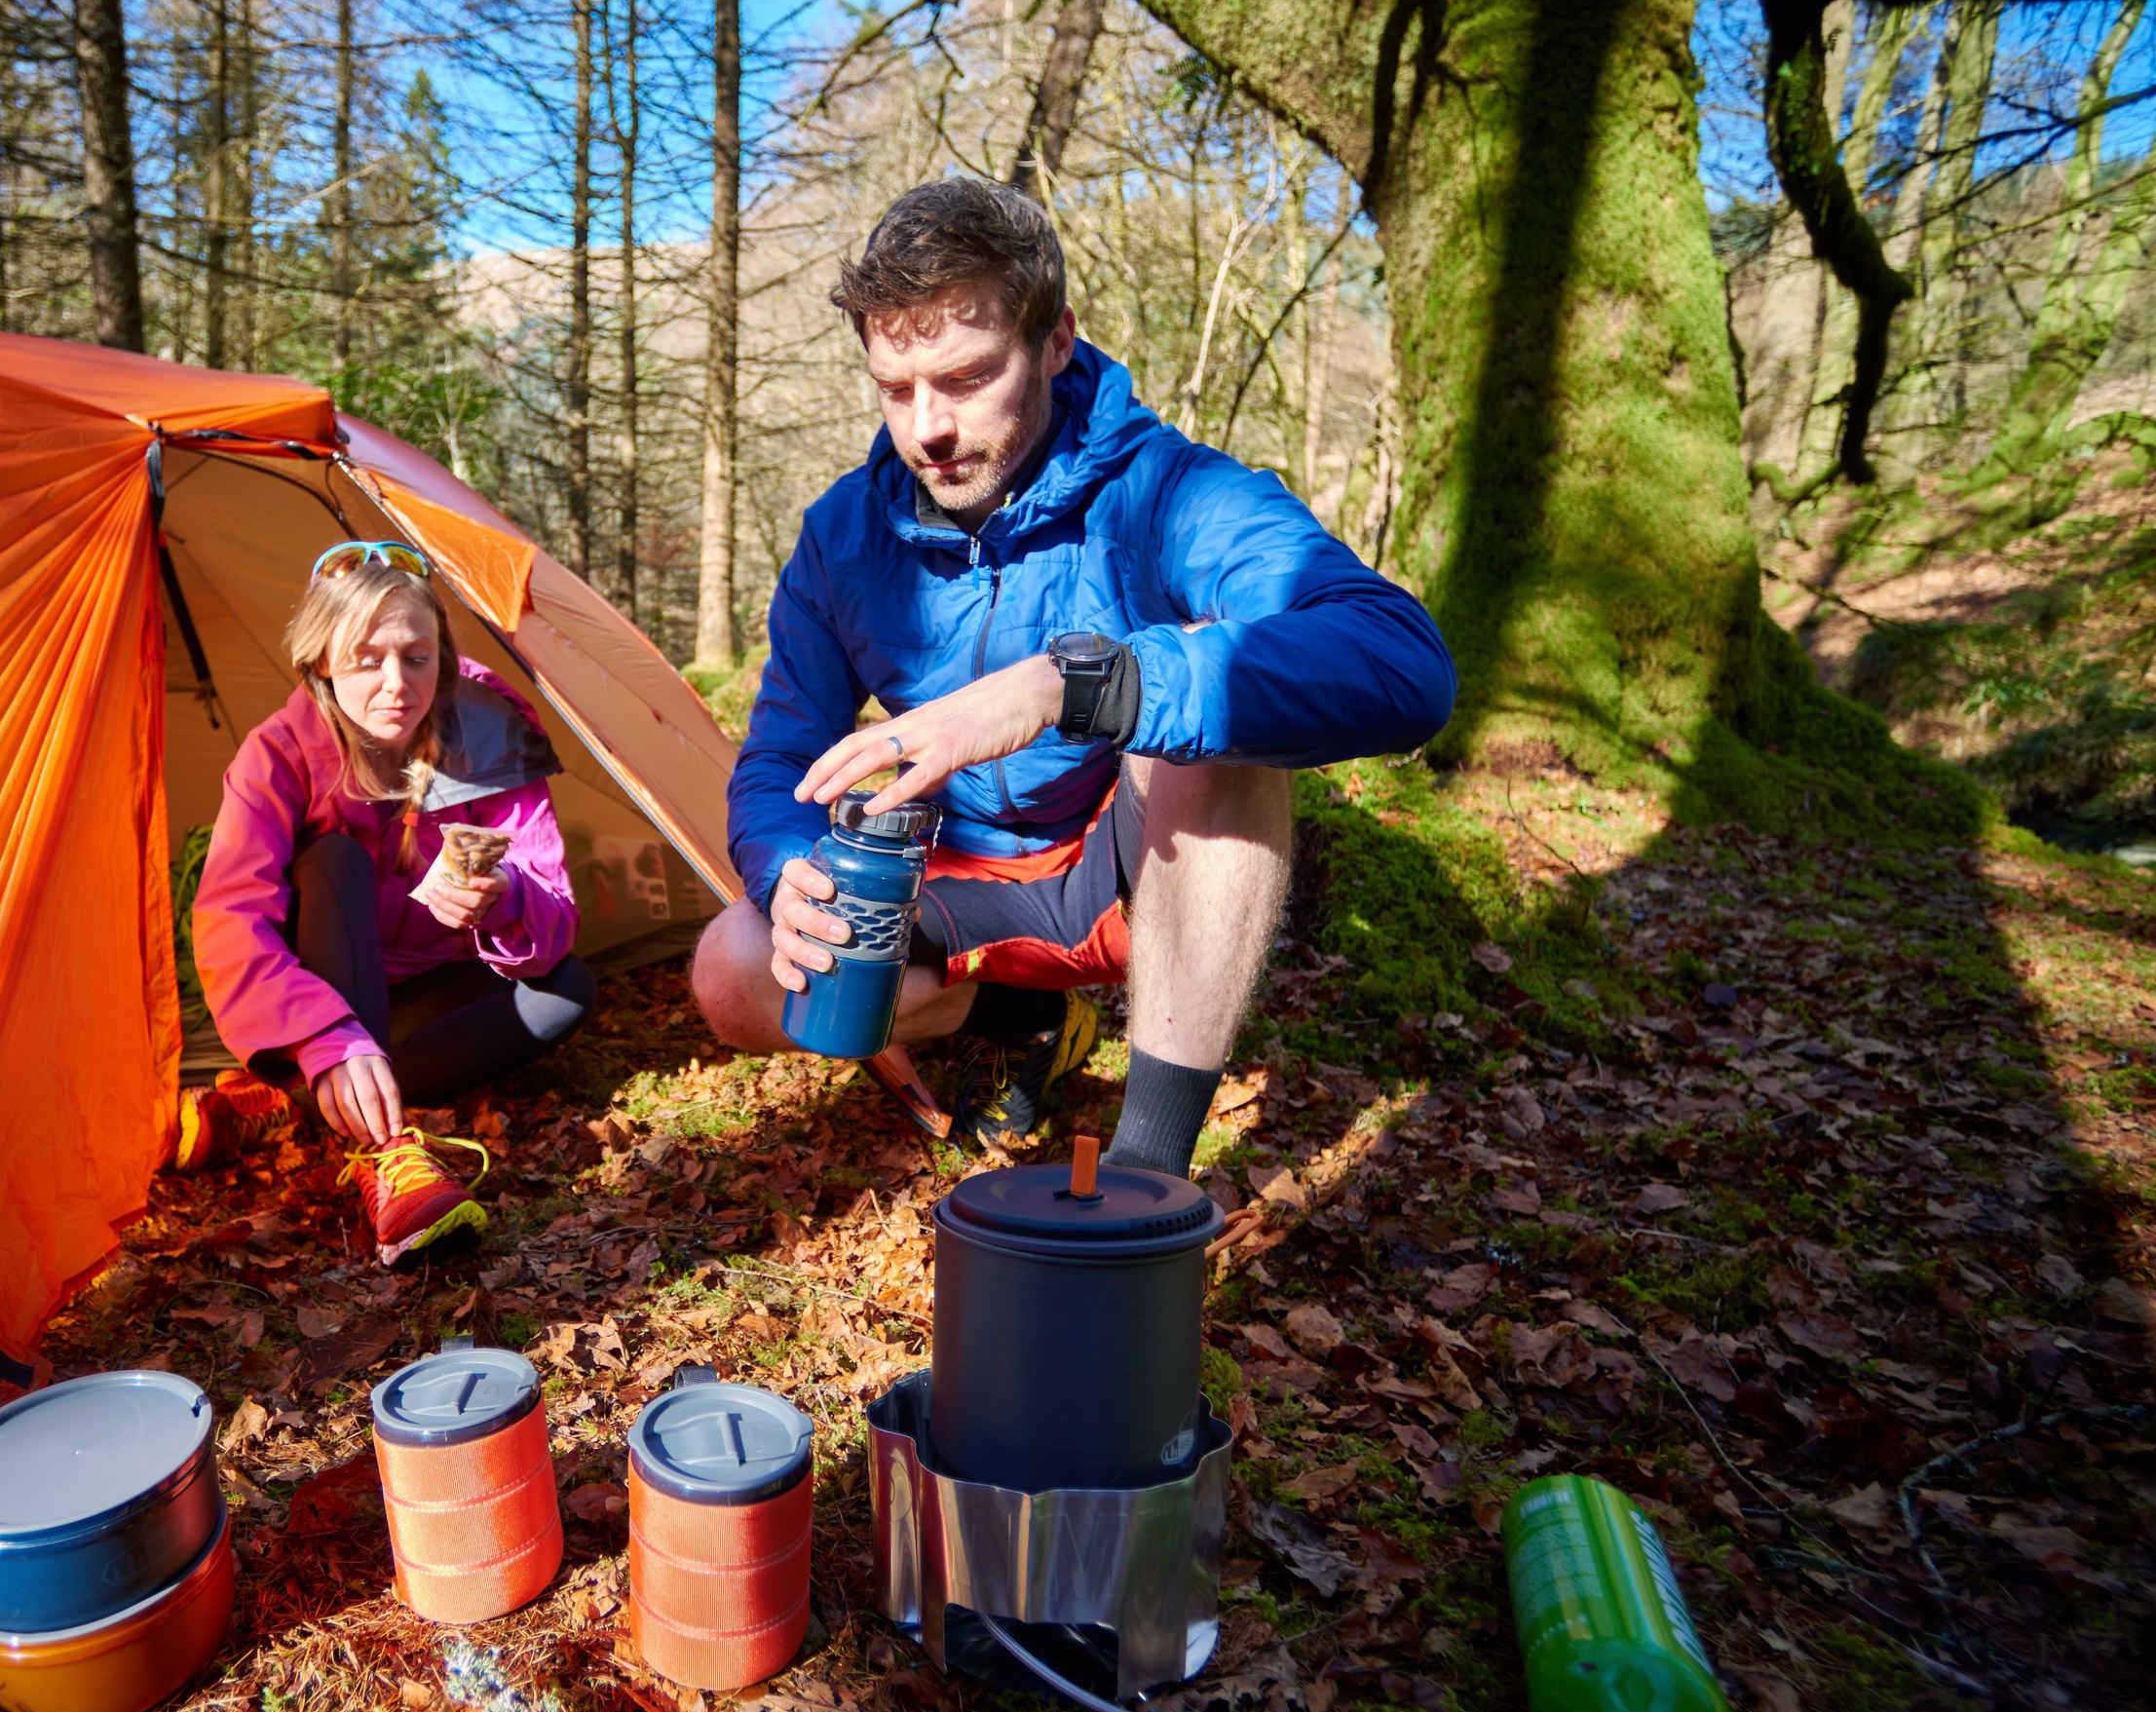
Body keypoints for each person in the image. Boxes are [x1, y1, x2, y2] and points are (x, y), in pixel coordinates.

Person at [694, 178, 1455, 1175]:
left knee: (1212, 725)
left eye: (964, 378)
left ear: (1054, 343)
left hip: (1126, 877)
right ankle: (1020, 1016)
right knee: (730, 972)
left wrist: (1072, 685)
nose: (925, 429)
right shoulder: (843, 534)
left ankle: (1147, 1165)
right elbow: (783, 755)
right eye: (893, 387)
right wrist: (783, 870)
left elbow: (1401, 660)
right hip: (950, 876)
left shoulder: (1168, 492)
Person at [180, 540, 597, 1260]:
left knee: (567, 989)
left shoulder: (490, 732)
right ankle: (384, 1148)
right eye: (365, 659)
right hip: (330, 988)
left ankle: (295, 1100)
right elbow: (231, 918)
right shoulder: (280, 752)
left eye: (416, 656)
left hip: (435, 981)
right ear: (322, 665)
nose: (395, 683)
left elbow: (554, 908)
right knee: (333, 858)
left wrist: (503, 900)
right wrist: (322, 1036)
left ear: (440, 656)